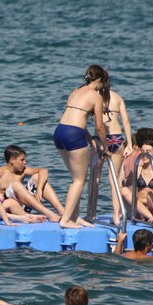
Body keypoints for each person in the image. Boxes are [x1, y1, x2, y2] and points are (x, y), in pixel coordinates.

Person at [53, 65, 110, 229]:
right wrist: (105, 147)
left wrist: (91, 141)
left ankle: (75, 216)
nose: (102, 87)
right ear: (98, 80)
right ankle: (65, 220)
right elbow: (99, 127)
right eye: (103, 83)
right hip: (74, 134)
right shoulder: (95, 96)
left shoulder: (75, 91)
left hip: (60, 131)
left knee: (75, 179)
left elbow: (77, 119)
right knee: (79, 180)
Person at [0, 145, 63, 222]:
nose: (24, 162)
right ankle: (50, 215)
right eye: (22, 160)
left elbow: (43, 171)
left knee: (37, 177)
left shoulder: (23, 171)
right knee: (16, 184)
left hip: (21, 208)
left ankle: (61, 211)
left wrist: (39, 189)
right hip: (5, 209)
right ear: (12, 160)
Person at [103, 86, 134, 225]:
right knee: (114, 179)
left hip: (102, 138)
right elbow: (126, 121)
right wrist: (130, 144)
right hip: (117, 138)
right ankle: (117, 215)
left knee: (96, 177)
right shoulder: (117, 97)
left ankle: (91, 213)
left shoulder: (93, 96)